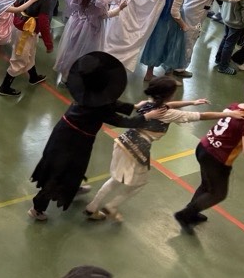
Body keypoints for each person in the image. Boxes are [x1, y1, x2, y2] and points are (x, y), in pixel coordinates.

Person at [29, 52, 152, 221]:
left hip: (71, 134)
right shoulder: (97, 105)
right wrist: (145, 118)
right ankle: (37, 207)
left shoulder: (89, 91)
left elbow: (110, 102)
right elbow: (120, 121)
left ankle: (71, 187)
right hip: (71, 140)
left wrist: (134, 107)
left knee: (75, 167)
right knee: (58, 172)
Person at [84, 77, 225, 222]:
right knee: (139, 183)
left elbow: (169, 105)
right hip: (137, 148)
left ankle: (92, 207)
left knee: (115, 180)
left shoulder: (149, 102)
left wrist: (192, 102)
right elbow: (202, 116)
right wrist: (227, 114)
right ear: (169, 94)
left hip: (123, 141)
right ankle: (111, 206)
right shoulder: (168, 114)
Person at [173, 77, 244, 232]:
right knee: (218, 194)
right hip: (217, 160)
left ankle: (191, 213)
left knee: (207, 186)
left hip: (204, 148)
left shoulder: (235, 107)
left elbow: (231, 129)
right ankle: (185, 215)